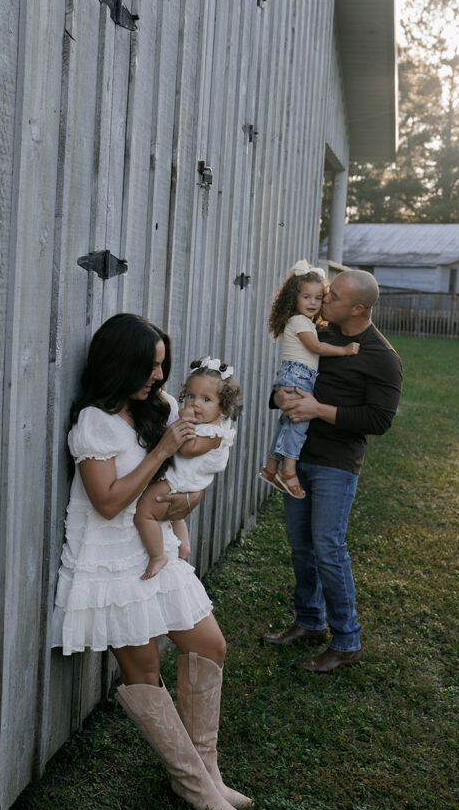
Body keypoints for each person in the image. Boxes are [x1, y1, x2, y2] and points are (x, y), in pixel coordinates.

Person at [52, 314, 252, 810]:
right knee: (142, 671)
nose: (160, 378)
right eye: (152, 366)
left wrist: (189, 498)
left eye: (164, 366)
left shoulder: (158, 407)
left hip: (154, 543)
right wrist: (163, 448)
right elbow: (107, 502)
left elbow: (195, 465)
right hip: (111, 556)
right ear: (122, 365)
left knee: (209, 644)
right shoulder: (93, 423)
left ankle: (207, 770)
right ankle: (192, 785)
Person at [262, 269, 402, 674]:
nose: (324, 300)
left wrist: (318, 410)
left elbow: (379, 420)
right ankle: (309, 622)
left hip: (336, 465)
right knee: (301, 546)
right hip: (298, 456)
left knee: (328, 549)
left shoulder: (382, 358)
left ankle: (346, 642)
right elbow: (292, 376)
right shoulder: (318, 335)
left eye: (333, 296)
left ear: (358, 308)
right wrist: (279, 396)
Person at [258, 260, 359, 499]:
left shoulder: (303, 322)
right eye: (307, 297)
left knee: (288, 423)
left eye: (317, 298)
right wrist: (344, 351)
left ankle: (271, 468)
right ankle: (288, 471)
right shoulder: (299, 322)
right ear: (294, 298)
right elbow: (314, 346)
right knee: (299, 425)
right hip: (298, 375)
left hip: (296, 375)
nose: (313, 303)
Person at [134, 356, 242, 580]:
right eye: (191, 396)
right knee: (175, 516)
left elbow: (186, 449)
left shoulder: (214, 432)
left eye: (206, 399)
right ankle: (183, 547)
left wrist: (183, 422)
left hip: (182, 480)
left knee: (144, 512)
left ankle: (157, 556)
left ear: (222, 406)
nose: (195, 404)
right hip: (181, 478)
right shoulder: (207, 423)